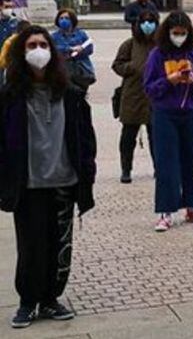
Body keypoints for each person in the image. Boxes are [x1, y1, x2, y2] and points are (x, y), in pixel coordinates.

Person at [0, 26, 96, 330]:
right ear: (21, 52)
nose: (38, 50)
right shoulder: (10, 96)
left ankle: (51, 298)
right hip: (27, 183)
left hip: (63, 181)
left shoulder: (71, 94)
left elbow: (85, 139)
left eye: (43, 44)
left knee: (59, 245)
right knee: (30, 245)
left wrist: (87, 176)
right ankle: (28, 301)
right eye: (31, 45)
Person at [143, 12, 193, 232]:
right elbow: (149, 88)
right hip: (164, 114)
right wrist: (168, 81)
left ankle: (191, 205)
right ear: (167, 33)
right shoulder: (157, 55)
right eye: (175, 33)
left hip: (190, 114)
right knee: (167, 163)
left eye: (183, 33)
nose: (179, 37)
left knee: (190, 161)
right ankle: (165, 211)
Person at [113, 10, 159, 184]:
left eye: (151, 21)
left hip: (154, 96)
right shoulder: (129, 44)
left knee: (155, 135)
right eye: (144, 21)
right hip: (132, 94)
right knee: (128, 135)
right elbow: (117, 65)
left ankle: (158, 167)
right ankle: (126, 169)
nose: (147, 25)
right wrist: (131, 68)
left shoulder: (160, 45)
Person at [50, 9, 96, 90]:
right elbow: (52, 49)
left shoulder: (81, 34)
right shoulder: (54, 36)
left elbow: (90, 49)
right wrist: (70, 49)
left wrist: (81, 50)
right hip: (63, 70)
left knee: (80, 94)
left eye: (67, 18)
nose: (63, 20)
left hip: (81, 70)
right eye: (61, 18)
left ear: (72, 20)